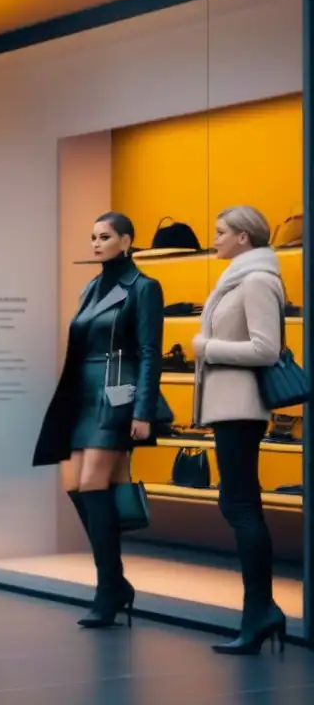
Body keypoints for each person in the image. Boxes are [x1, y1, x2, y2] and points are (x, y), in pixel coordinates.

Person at [33, 212, 164, 628]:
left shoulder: (144, 287)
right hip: (81, 395)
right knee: (74, 484)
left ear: (126, 241)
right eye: (92, 236)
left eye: (104, 236)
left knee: (93, 483)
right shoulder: (91, 287)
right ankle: (116, 581)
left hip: (117, 394)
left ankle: (108, 589)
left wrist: (143, 410)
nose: (95, 243)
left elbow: (149, 352)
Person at [192, 206, 287, 655]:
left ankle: (260, 612)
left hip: (241, 408)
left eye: (221, 232)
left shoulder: (256, 281)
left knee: (241, 505)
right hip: (229, 407)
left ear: (244, 238)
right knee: (237, 503)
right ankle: (259, 611)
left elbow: (267, 349)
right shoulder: (238, 278)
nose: (215, 238)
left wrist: (207, 347)